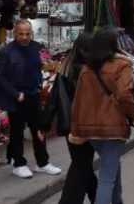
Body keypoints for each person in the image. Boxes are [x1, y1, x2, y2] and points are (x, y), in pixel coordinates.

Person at [70, 29, 134, 204]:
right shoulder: (122, 65)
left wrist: (76, 129)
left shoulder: (87, 68)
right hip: (112, 127)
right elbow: (125, 96)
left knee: (112, 167)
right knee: (107, 177)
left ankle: (118, 201)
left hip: (90, 129)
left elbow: (78, 100)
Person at [0, 20, 62, 179]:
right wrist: (15, 94)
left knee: (39, 129)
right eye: (21, 33)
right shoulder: (6, 52)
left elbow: (37, 66)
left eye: (27, 33)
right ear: (15, 33)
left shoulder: (35, 48)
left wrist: (45, 69)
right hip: (17, 97)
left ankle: (42, 163)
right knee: (17, 131)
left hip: (34, 94)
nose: (24, 37)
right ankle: (19, 164)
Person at [40, 33, 97, 203]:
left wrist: (44, 124)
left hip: (69, 125)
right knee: (81, 166)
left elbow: (53, 100)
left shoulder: (65, 68)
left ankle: (99, 197)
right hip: (86, 124)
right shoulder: (88, 70)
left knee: (82, 164)